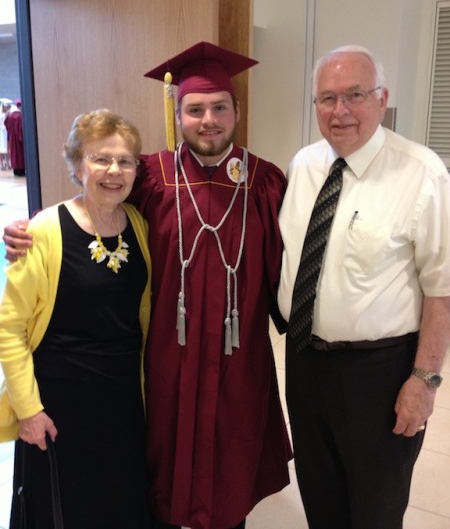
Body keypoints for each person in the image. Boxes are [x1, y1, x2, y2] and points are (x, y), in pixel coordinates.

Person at [3, 42, 292, 529]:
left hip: (235, 359)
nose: (208, 120)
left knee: (228, 470)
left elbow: (288, 265)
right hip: (166, 362)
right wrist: (25, 230)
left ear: (237, 111)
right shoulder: (154, 178)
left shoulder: (265, 182)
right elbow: (92, 207)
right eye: (195, 109)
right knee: (154, 472)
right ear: (177, 114)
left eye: (219, 107)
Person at [278, 45, 450, 529]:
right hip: (305, 362)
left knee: (374, 509)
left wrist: (424, 381)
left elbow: (443, 291)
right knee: (320, 496)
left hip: (380, 373)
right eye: (327, 98)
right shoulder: (304, 165)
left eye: (355, 94)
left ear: (382, 98)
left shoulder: (422, 173)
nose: (341, 111)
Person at [0, 109, 152, 528]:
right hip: (59, 408)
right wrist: (28, 410)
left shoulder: (137, 224)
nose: (114, 171)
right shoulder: (44, 231)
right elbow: (9, 328)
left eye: (124, 161)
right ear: (76, 165)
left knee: (118, 504)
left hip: (123, 402)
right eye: (100, 158)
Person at [4, 98, 25, 176]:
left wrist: (11, 132)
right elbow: (22, 129)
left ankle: (15, 170)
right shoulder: (21, 116)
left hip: (12, 138)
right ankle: (21, 170)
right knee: (20, 155)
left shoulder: (10, 115)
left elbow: (6, 124)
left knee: (14, 154)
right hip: (19, 139)